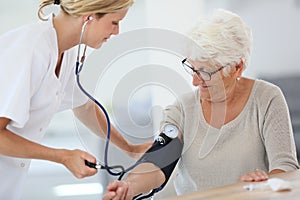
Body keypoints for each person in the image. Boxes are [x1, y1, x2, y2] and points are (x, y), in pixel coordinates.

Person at [102, 9, 299, 200]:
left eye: (205, 72)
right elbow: (159, 160)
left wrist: (264, 183)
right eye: (193, 69)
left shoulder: (267, 98)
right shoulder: (182, 109)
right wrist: (129, 187)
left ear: (237, 67)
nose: (195, 82)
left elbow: (286, 166)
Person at [0, 0, 152, 199]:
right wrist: (63, 156)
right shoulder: (29, 49)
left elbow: (85, 108)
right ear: (88, 17)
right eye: (114, 22)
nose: (116, 32)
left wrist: (129, 149)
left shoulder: (66, 51)